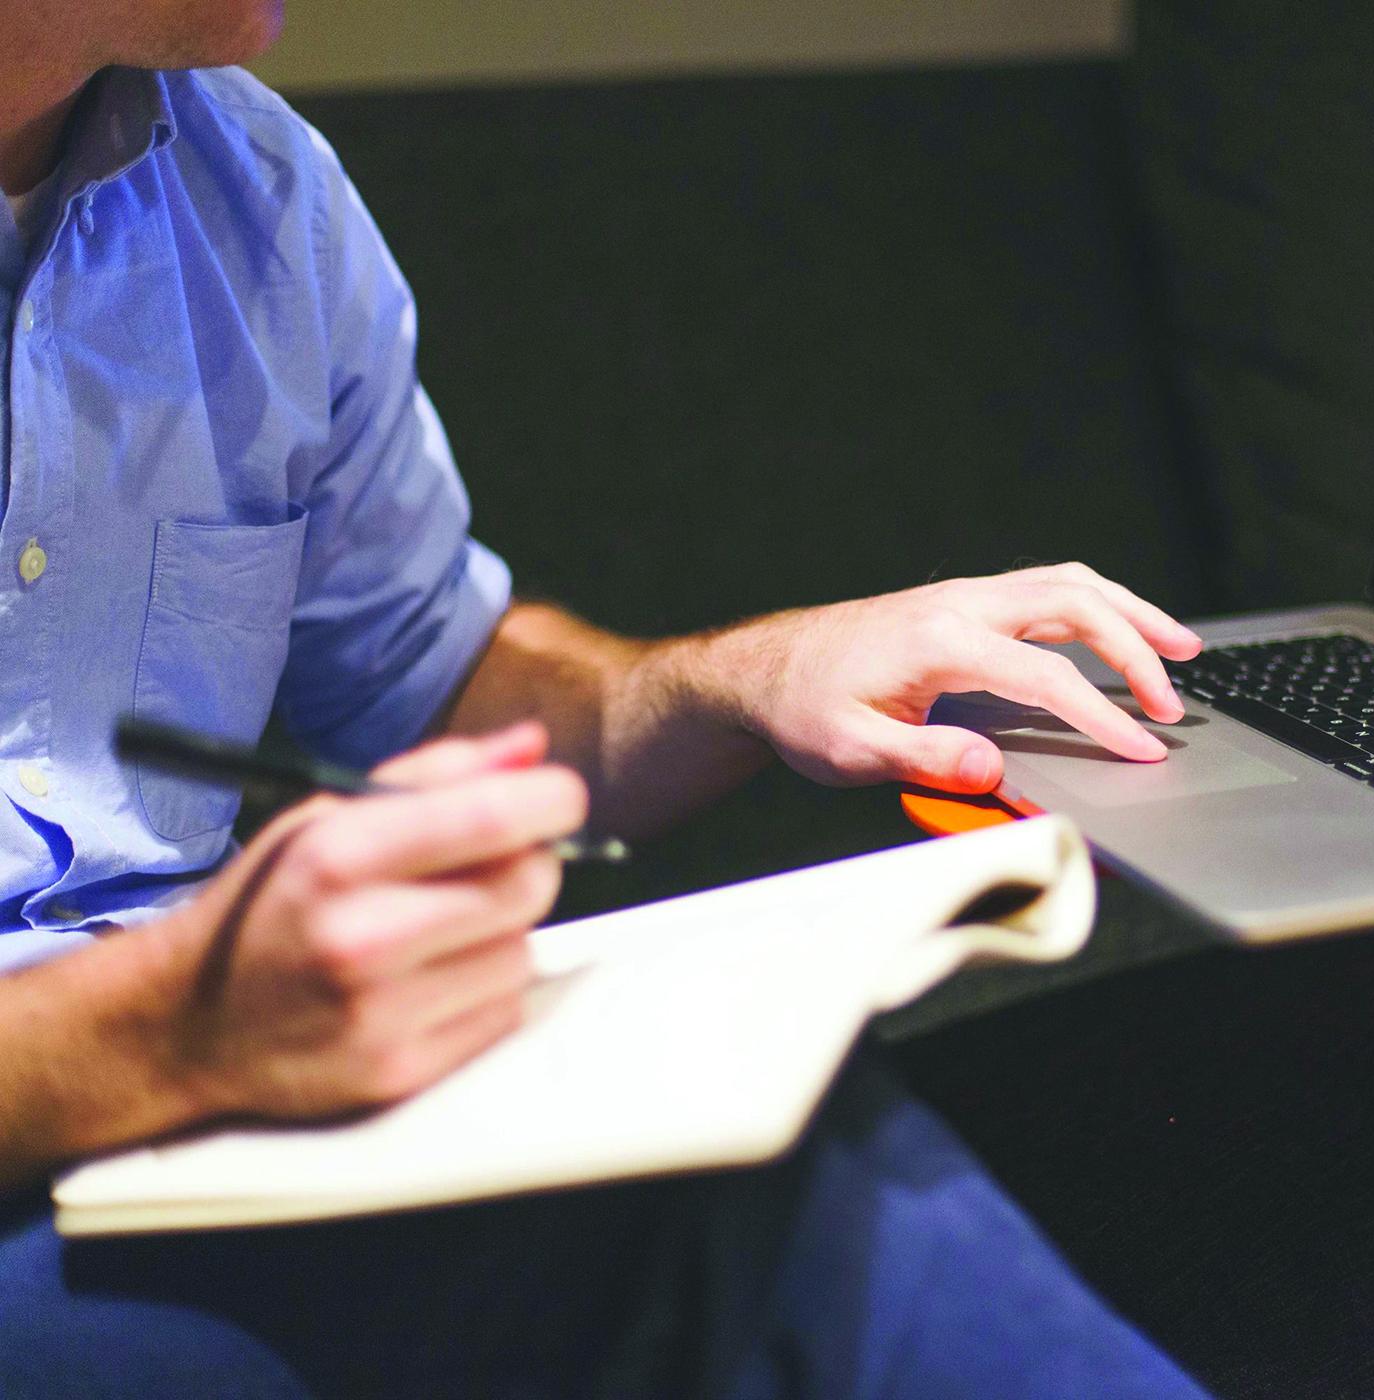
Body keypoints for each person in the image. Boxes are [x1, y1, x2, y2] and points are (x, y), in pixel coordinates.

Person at [0, 3, 1211, 1394]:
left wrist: (742, 679)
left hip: (205, 1121)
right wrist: (164, 1028)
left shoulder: (254, 197)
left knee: (804, 1182)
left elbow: (436, 678)